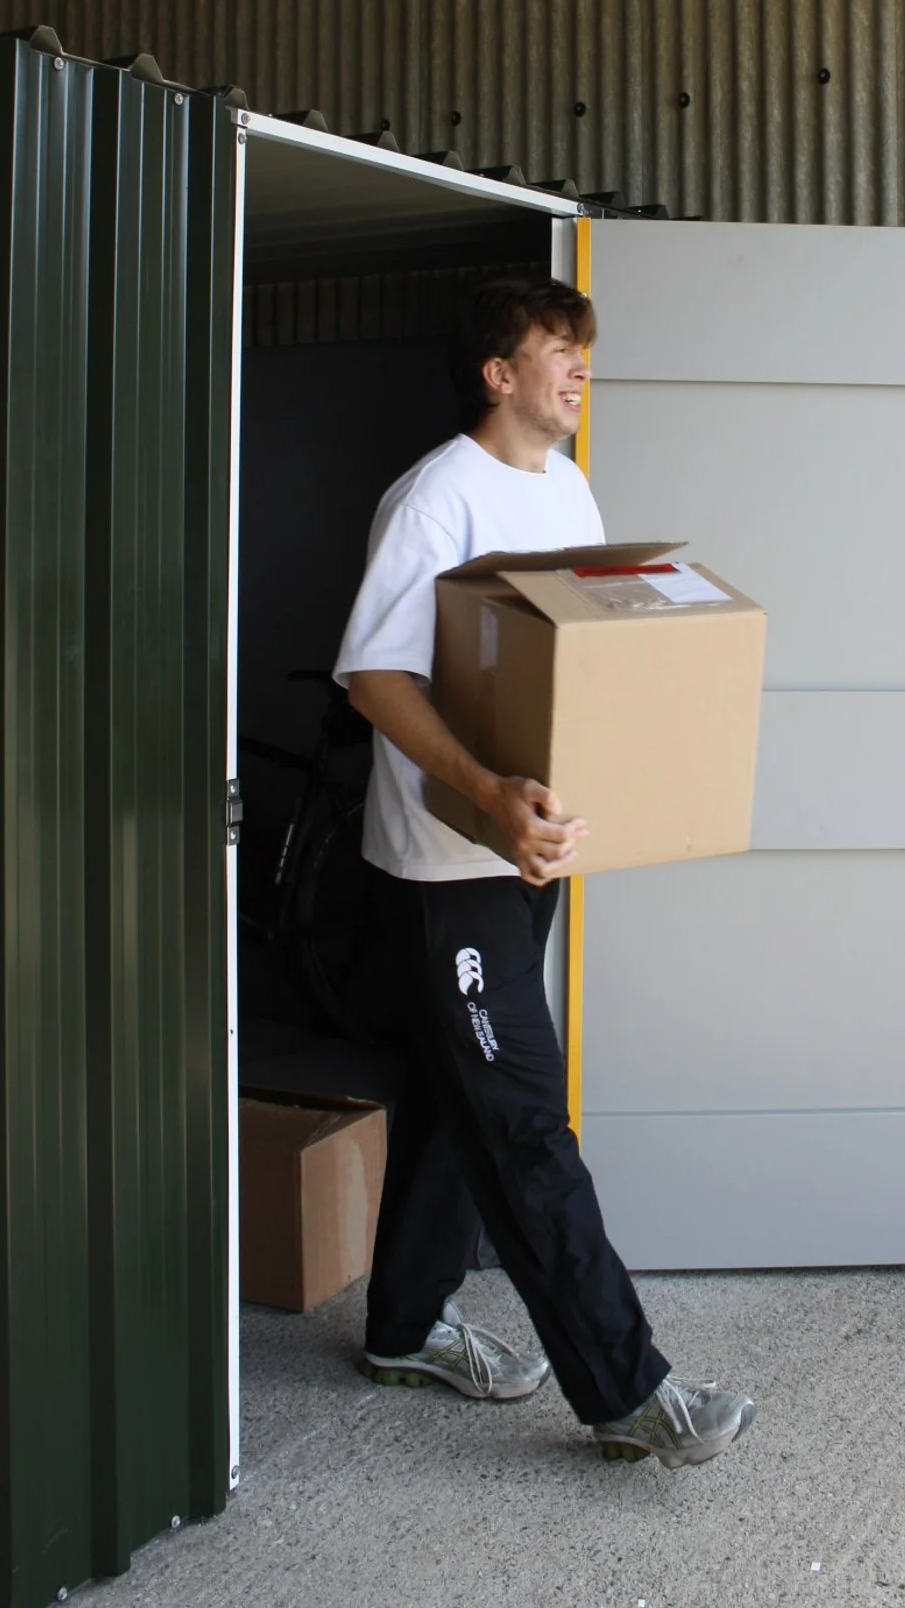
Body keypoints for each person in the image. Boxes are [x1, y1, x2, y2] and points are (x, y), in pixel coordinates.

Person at [333, 275, 756, 1469]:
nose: (579, 370)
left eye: (585, 351)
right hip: (446, 863)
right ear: (497, 372)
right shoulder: (434, 498)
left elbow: (577, 649)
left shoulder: (565, 484)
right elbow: (376, 678)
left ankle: (406, 1327)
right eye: (557, 350)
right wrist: (485, 792)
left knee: (453, 1092)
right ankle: (629, 1387)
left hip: (532, 846)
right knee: (521, 1119)